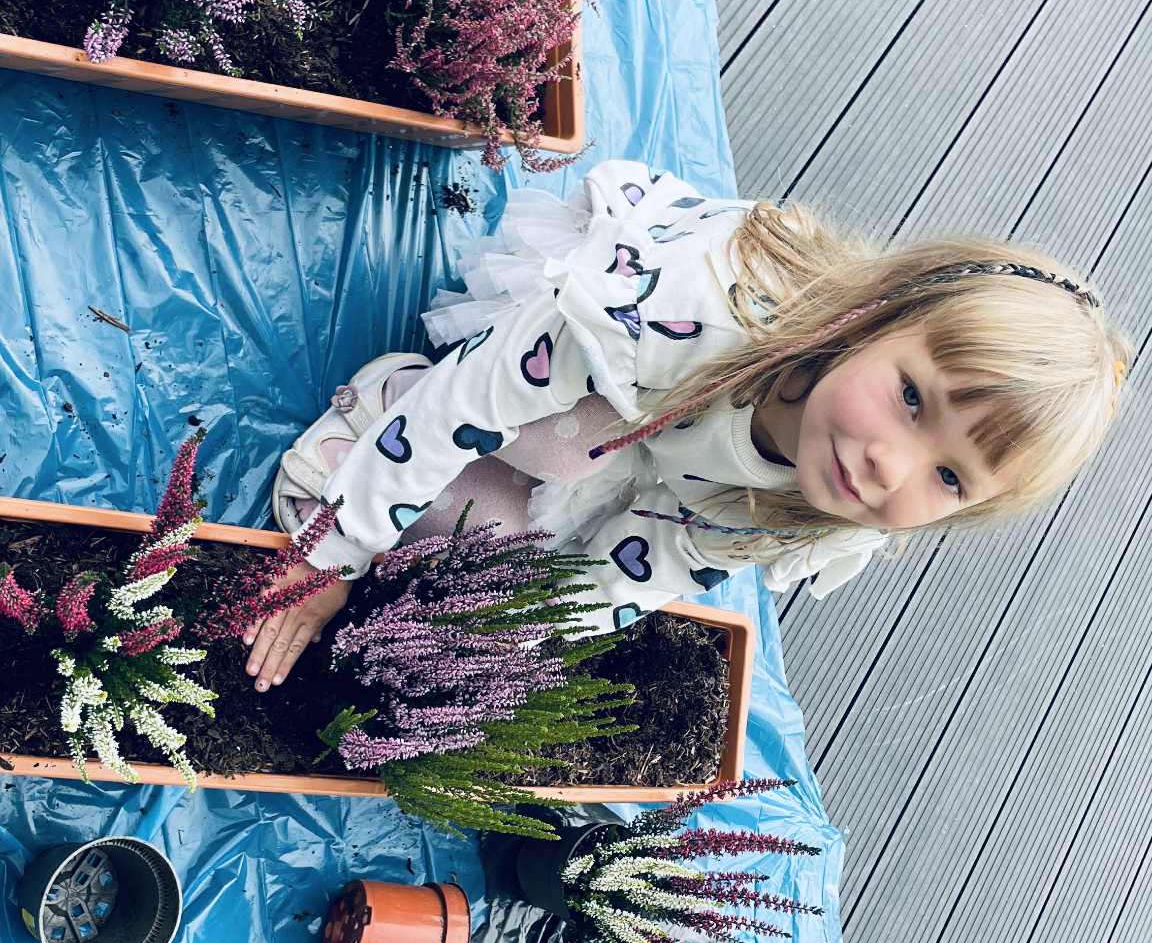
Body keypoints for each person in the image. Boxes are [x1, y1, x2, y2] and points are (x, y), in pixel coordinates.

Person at [243, 160, 1130, 692]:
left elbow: (646, 562)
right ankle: (380, 402)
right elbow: (471, 401)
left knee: (498, 549)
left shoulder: (824, 512)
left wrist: (488, 650)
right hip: (595, 361)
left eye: (950, 479)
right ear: (876, 318)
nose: (889, 468)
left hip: (675, 447)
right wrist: (331, 559)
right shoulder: (681, 315)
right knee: (552, 442)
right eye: (910, 399)